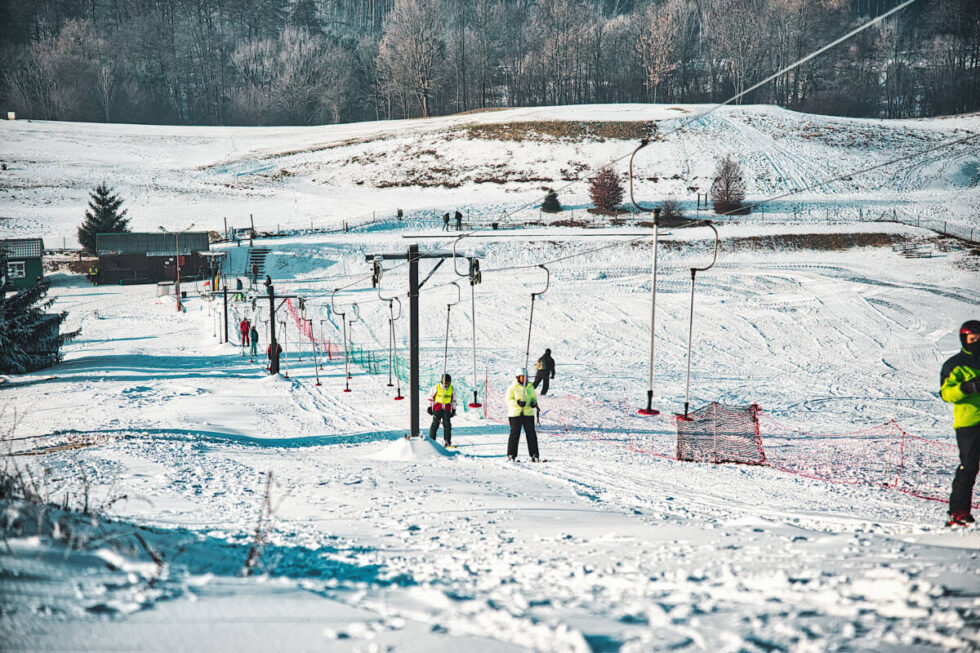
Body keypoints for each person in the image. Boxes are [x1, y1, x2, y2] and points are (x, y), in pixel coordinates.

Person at [941, 319, 980, 527]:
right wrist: (966, 388)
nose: (976, 343)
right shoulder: (955, 364)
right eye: (972, 339)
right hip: (969, 423)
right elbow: (946, 393)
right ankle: (958, 511)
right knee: (969, 466)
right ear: (964, 340)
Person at [506, 369, 540, 462]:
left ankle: (534, 454)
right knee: (515, 433)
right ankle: (511, 454)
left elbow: (534, 397)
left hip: (528, 413)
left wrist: (533, 403)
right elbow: (508, 400)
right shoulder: (512, 387)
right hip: (515, 414)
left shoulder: (530, 387)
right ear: (517, 377)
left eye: (526, 377)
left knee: (531, 434)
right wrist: (517, 403)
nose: (525, 379)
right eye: (522, 377)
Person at [427, 373, 457, 446]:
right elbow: (430, 397)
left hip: (447, 408)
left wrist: (453, 409)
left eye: (448, 383)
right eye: (446, 383)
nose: (447, 384)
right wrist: (429, 407)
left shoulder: (451, 389)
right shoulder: (436, 387)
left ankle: (447, 441)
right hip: (437, 408)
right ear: (442, 382)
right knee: (435, 425)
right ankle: (432, 441)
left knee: (447, 425)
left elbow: (454, 400)